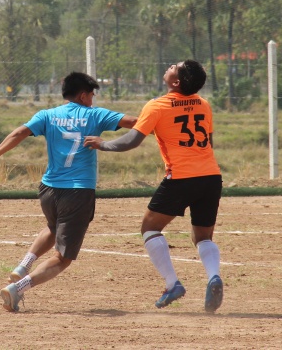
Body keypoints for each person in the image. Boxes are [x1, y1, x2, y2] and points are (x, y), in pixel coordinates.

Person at [0, 72, 137, 312]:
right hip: (78, 191)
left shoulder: (47, 115)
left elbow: (19, 133)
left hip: (48, 189)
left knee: (53, 228)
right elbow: (134, 122)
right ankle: (17, 288)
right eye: (91, 96)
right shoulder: (95, 115)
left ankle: (23, 265)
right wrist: (161, 120)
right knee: (63, 258)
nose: (92, 101)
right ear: (83, 96)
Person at [84, 59, 224, 313]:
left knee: (150, 227)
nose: (170, 66)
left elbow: (131, 141)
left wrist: (102, 144)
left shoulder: (157, 105)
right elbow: (208, 143)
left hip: (181, 177)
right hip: (211, 176)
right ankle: (214, 276)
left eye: (174, 67)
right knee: (203, 236)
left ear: (176, 82)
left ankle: (172, 284)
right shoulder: (204, 104)